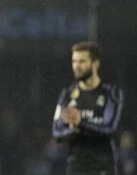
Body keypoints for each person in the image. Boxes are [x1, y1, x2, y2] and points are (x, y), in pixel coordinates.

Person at [52, 41, 123, 175]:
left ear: (95, 63)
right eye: (74, 61)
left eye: (82, 62)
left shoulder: (110, 93)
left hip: (102, 166)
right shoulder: (67, 95)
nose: (76, 66)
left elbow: (109, 129)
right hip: (76, 166)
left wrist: (80, 124)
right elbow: (56, 132)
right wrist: (73, 131)